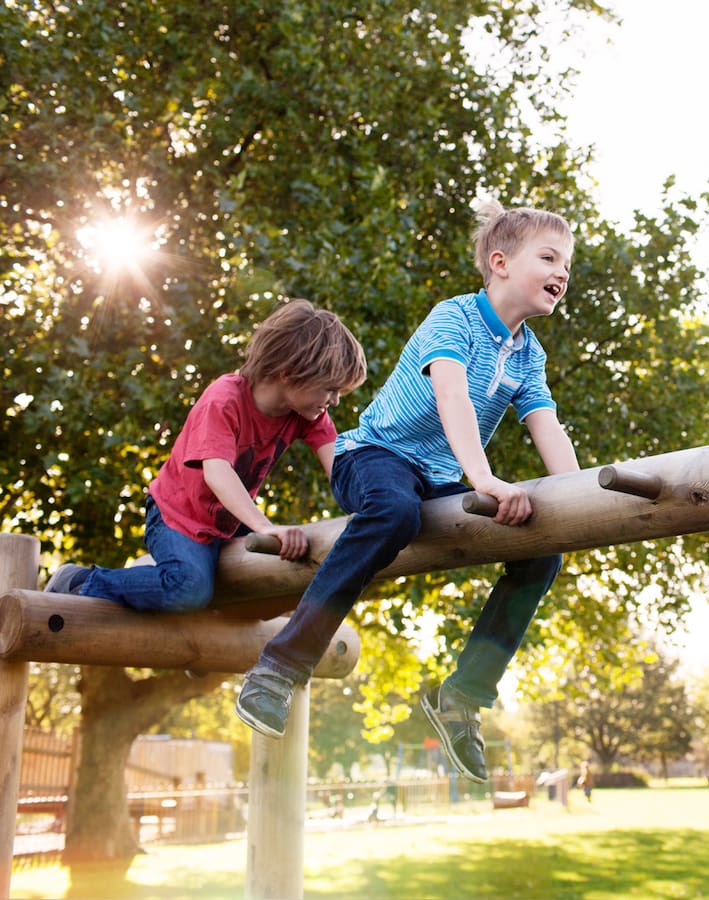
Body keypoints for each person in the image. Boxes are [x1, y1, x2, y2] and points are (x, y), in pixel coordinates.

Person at [236, 201, 580, 786]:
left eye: (568, 264)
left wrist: (580, 505)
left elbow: (546, 425)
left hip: (444, 476)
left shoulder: (529, 354)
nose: (562, 272)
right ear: (499, 263)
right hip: (374, 456)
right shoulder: (454, 319)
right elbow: (453, 400)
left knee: (543, 547)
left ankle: (461, 696)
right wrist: (486, 479)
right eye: (548, 258)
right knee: (394, 512)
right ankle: (280, 667)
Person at [44, 299, 366, 611]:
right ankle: (81, 581)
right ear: (288, 373)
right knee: (188, 588)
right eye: (330, 388)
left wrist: (373, 504)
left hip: (227, 522)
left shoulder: (307, 415)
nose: (335, 400)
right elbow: (217, 474)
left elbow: (341, 468)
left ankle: (204, 631)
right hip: (178, 517)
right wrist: (264, 527)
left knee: (280, 582)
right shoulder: (224, 400)